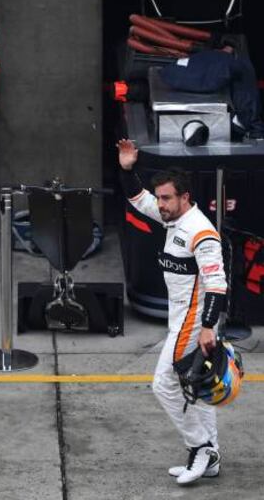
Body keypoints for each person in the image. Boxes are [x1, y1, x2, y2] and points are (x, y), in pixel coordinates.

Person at [117, 138, 227, 485]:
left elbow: (217, 284)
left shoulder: (200, 232)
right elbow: (139, 200)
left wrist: (208, 326)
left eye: (166, 198)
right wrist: (127, 169)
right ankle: (210, 458)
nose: (160, 204)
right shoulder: (171, 217)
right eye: (160, 197)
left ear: (185, 198)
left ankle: (200, 448)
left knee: (163, 384)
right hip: (181, 316)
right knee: (198, 386)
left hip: (194, 318)